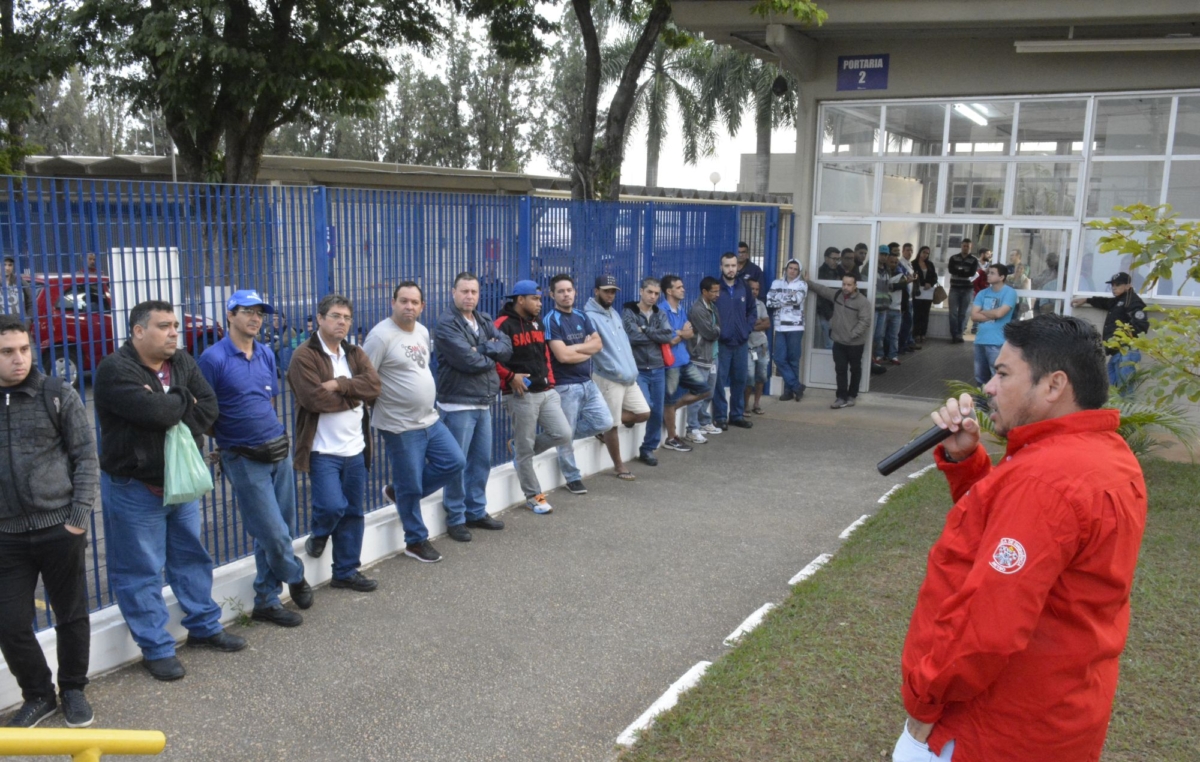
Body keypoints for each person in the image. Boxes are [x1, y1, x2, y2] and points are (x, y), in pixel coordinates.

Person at [896, 314, 1146, 762]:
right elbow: (1009, 537)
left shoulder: (1046, 481)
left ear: (1053, 386)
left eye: (1004, 373)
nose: (989, 386)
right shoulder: (1109, 456)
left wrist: (924, 700)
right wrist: (968, 462)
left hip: (992, 730)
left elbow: (987, 626)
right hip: (1063, 714)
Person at [96, 300, 245, 684]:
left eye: (175, 325)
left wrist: (170, 404)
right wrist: (180, 400)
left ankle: (204, 626)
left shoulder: (182, 361)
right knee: (140, 570)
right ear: (138, 331)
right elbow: (158, 415)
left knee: (190, 557)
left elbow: (208, 408)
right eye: (164, 326)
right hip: (135, 487)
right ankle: (157, 648)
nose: (174, 332)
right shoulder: (116, 370)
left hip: (182, 485)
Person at [0, 314, 98, 727]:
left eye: (24, 349)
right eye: (7, 352)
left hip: (60, 527)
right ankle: (39, 694)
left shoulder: (56, 393)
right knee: (10, 622)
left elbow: (86, 456)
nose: (19, 359)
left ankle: (73, 689)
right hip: (6, 537)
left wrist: (77, 518)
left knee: (70, 614)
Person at [199, 290, 313, 625]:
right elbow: (204, 412)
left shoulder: (264, 353)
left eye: (260, 313)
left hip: (277, 449)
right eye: (247, 311)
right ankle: (295, 576)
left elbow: (271, 402)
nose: (255, 318)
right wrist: (229, 441)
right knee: (273, 531)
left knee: (280, 529)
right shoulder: (213, 359)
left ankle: (265, 599)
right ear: (230, 315)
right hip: (243, 457)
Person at [287, 294, 382, 591]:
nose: (342, 322)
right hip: (322, 450)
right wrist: (355, 397)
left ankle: (345, 571)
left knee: (353, 512)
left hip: (355, 449)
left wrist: (340, 385)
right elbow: (313, 399)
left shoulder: (353, 353)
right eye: (336, 316)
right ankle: (320, 532)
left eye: (347, 318)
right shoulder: (304, 355)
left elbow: (375, 386)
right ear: (320, 318)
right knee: (331, 507)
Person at [364, 282, 465, 561]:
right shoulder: (380, 337)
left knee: (455, 461)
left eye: (414, 302)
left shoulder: (421, 331)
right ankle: (415, 540)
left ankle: (400, 492)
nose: (409, 306)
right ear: (392, 302)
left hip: (429, 420)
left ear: (423, 306)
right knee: (411, 484)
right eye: (403, 301)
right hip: (399, 426)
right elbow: (365, 379)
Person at [432, 272, 512, 533]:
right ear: (453, 292)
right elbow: (468, 361)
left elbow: (507, 347)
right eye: (464, 291)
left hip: (483, 401)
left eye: (473, 292)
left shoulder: (484, 318)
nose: (469, 296)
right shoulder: (446, 324)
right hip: (458, 404)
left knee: (480, 462)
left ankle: (475, 511)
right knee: (458, 464)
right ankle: (455, 518)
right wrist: (490, 353)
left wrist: (483, 349)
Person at [493, 280, 571, 512]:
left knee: (563, 434)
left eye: (539, 299)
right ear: (520, 300)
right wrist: (509, 377)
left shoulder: (537, 322)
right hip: (521, 394)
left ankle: (519, 449)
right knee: (526, 450)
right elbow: (492, 359)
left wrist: (551, 380)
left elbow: (544, 353)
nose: (539, 303)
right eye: (535, 299)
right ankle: (534, 495)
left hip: (545, 390)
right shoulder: (502, 325)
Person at [543, 273, 611, 494]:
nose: (566, 295)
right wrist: (584, 349)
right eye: (560, 291)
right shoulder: (550, 320)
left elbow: (598, 344)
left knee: (604, 422)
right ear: (552, 294)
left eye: (569, 290)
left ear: (575, 292)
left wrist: (575, 350)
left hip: (587, 382)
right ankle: (572, 477)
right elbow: (562, 357)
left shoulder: (582, 315)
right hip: (565, 386)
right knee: (565, 436)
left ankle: (545, 440)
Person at [585, 275, 650, 481]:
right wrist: (613, 368)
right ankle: (619, 466)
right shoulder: (588, 316)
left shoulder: (613, 313)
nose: (610, 295)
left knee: (644, 412)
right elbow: (591, 348)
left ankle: (600, 425)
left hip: (628, 377)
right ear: (596, 291)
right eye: (606, 291)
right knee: (612, 425)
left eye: (613, 291)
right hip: (609, 377)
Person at [622, 278, 676, 466]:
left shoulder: (660, 313)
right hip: (638, 369)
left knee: (657, 410)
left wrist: (644, 329)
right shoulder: (629, 312)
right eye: (649, 292)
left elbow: (668, 336)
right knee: (647, 405)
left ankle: (648, 449)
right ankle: (628, 415)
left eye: (656, 294)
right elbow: (631, 337)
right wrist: (655, 336)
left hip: (658, 367)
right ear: (641, 291)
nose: (653, 296)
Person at [1071, 272, 1149, 392]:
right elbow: (1105, 302)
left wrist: (1122, 340)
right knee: (1110, 392)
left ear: (1128, 286)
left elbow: (1141, 326)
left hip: (1126, 352)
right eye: (1112, 285)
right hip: (1117, 353)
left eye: (1118, 284)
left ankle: (1125, 411)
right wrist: (1087, 299)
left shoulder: (1133, 302)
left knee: (1124, 392)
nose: (1114, 287)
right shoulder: (1119, 301)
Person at [658, 275, 709, 449]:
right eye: (679, 287)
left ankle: (670, 411)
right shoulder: (662, 311)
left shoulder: (680, 309)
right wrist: (682, 333)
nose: (683, 289)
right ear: (669, 291)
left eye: (682, 287)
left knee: (704, 389)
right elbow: (670, 340)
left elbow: (691, 333)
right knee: (669, 400)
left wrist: (679, 333)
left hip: (684, 361)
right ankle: (672, 438)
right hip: (670, 364)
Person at [805, 274, 871, 409]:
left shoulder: (862, 302)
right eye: (844, 284)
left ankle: (852, 395)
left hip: (855, 343)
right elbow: (822, 290)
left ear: (855, 286)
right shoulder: (837, 295)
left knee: (855, 369)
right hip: (839, 342)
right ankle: (841, 397)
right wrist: (807, 282)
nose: (845, 287)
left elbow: (865, 321)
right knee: (840, 370)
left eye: (849, 285)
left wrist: (852, 334)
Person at [713, 252, 756, 430]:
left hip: (741, 342)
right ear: (721, 267)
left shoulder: (743, 287)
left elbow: (752, 311)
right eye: (727, 266)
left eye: (733, 265)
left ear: (737, 266)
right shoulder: (716, 289)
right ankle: (721, 417)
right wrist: (718, 332)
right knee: (719, 381)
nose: (731, 269)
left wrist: (747, 329)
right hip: (722, 343)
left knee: (740, 380)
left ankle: (736, 415)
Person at [685, 277, 723, 444]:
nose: (717, 294)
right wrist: (716, 331)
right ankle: (691, 428)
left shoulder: (712, 307)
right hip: (700, 356)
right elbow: (709, 332)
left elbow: (719, 326)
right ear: (704, 292)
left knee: (709, 392)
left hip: (712, 355)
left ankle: (704, 421)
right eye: (714, 291)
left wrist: (716, 330)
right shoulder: (697, 309)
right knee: (697, 394)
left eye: (718, 290)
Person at [766, 258, 808, 401]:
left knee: (793, 360)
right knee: (778, 358)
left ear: (799, 272)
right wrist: (788, 298)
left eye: (795, 269)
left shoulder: (802, 284)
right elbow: (769, 301)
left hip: (796, 326)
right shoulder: (776, 283)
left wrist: (780, 298)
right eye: (790, 268)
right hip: (779, 326)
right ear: (786, 269)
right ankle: (796, 386)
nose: (792, 271)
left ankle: (789, 391)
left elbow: (797, 300)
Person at [970, 264, 1018, 386]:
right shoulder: (982, 293)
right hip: (980, 340)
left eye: (992, 273)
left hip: (998, 341)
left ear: (1002, 277)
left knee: (997, 377)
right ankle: (982, 405)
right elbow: (974, 316)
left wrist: (983, 312)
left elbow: (1000, 313)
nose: (988, 275)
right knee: (980, 377)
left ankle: (995, 405)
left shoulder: (1009, 292)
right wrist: (993, 313)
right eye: (988, 272)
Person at [874, 248, 909, 367]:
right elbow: (891, 287)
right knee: (880, 334)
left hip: (897, 309)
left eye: (896, 262)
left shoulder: (901, 275)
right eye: (891, 261)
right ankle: (879, 354)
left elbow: (903, 287)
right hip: (885, 308)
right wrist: (899, 284)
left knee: (894, 335)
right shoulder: (883, 273)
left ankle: (893, 355)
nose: (893, 264)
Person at [744, 280, 771, 415]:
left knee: (761, 376)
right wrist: (757, 322)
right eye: (752, 288)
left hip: (762, 346)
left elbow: (767, 324)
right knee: (749, 376)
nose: (754, 291)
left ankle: (757, 404)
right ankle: (745, 405)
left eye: (757, 289)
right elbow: (742, 325)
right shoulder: (742, 305)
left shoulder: (761, 305)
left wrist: (752, 326)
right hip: (748, 346)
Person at [946, 239, 980, 343]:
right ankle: (954, 334)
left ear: (971, 247)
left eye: (968, 246)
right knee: (953, 313)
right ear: (961, 246)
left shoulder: (974, 260)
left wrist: (959, 271)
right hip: (954, 288)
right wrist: (964, 271)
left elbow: (971, 273)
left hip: (967, 289)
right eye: (964, 246)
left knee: (963, 313)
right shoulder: (954, 258)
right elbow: (951, 270)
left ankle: (960, 334)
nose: (965, 248)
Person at [911, 246, 939, 348]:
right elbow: (913, 276)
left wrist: (930, 283)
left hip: (928, 292)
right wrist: (922, 283)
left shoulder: (930, 264)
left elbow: (934, 277)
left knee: (925, 313)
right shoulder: (913, 263)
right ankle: (916, 333)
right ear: (919, 252)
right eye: (923, 252)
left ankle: (923, 333)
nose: (925, 255)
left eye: (927, 253)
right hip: (918, 291)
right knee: (917, 313)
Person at [814, 248, 840, 349]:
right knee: (828, 343)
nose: (837, 262)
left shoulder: (837, 271)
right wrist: (829, 314)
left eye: (838, 259)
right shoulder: (821, 273)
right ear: (826, 258)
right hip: (825, 313)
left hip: (834, 312)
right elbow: (822, 297)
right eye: (834, 259)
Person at [897, 242, 919, 353]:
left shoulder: (909, 263)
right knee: (904, 323)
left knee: (908, 322)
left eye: (911, 250)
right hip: (903, 298)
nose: (910, 252)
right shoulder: (900, 263)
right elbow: (904, 278)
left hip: (909, 297)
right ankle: (901, 345)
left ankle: (906, 342)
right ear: (903, 251)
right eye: (907, 250)